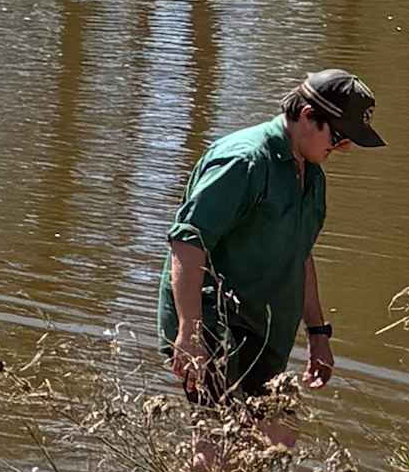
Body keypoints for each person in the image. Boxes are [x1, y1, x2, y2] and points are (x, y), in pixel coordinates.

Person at [160, 67, 382, 403]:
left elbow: (299, 254)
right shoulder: (242, 162)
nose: (343, 149)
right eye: (339, 137)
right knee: (220, 437)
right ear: (308, 116)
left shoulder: (312, 176)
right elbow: (188, 243)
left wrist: (318, 333)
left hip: (263, 330)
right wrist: (189, 333)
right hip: (213, 321)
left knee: (277, 438)